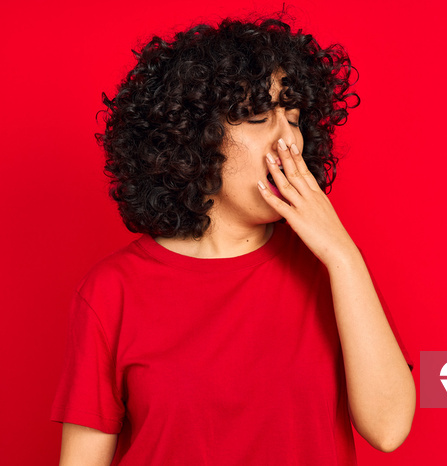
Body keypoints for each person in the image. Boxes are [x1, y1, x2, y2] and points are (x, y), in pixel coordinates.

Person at [50, 15, 416, 466]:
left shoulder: (332, 268)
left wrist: (341, 254)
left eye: (294, 118)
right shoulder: (111, 291)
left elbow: (389, 427)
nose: (289, 143)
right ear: (195, 140)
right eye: (259, 117)